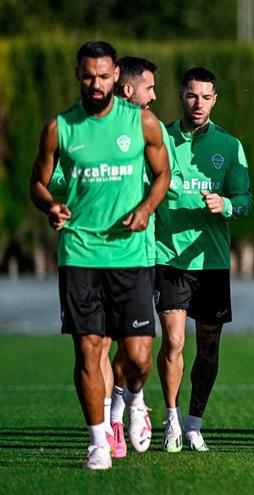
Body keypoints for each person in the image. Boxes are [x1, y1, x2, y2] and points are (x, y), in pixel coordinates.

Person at [29, 41, 170, 469]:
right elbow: (38, 182)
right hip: (80, 254)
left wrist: (146, 208)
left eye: (104, 75)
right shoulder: (60, 128)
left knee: (139, 356)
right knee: (89, 348)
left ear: (115, 77)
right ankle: (97, 442)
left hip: (131, 255)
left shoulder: (142, 122)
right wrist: (50, 205)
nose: (96, 83)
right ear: (78, 75)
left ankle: (136, 399)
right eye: (88, 75)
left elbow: (162, 174)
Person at [153, 66, 253, 453]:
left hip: (211, 262)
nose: (198, 103)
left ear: (215, 99)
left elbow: (246, 203)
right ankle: (171, 419)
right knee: (174, 341)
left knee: (208, 346)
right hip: (170, 257)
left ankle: (195, 422)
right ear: (181, 95)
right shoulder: (159, 136)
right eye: (192, 95)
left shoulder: (229, 146)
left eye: (206, 96)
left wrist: (226, 203)